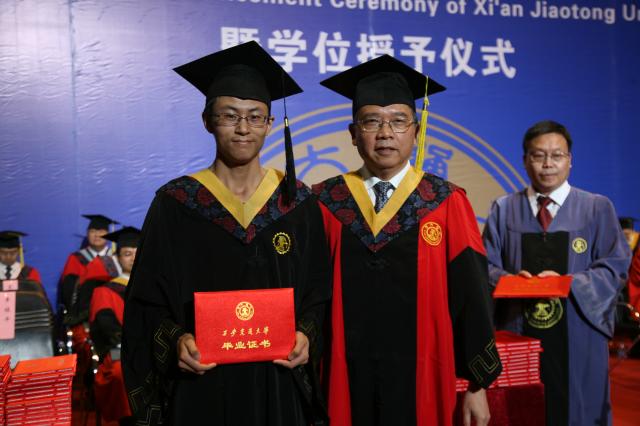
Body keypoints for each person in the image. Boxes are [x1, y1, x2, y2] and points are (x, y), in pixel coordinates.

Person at [121, 41, 331, 426]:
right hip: (202, 386)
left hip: (278, 383)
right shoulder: (176, 203)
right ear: (207, 121)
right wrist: (176, 340)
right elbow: (145, 303)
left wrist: (306, 334)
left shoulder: (297, 203)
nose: (243, 128)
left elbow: (319, 293)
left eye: (255, 117)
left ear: (271, 123)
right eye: (229, 116)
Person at [313, 55, 501, 426]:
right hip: (342, 377)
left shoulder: (445, 202)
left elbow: (473, 295)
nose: (385, 133)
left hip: (422, 377)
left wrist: (477, 384)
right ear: (353, 133)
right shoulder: (325, 202)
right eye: (371, 121)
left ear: (416, 131)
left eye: (399, 121)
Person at [482, 120, 631, 425]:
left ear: (570, 160)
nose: (548, 164)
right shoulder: (503, 209)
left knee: (579, 410)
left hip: (578, 333)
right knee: (521, 411)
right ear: (525, 160)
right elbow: (483, 266)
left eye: (557, 155)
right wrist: (509, 282)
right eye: (538, 155)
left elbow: (615, 265)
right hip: (519, 332)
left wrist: (568, 283)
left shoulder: (596, 208)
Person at [90, 226, 140, 426]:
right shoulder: (105, 291)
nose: (133, 258)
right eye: (127, 254)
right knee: (122, 374)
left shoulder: (154, 286)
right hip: (123, 351)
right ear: (117, 258)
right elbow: (107, 326)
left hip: (153, 347)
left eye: (138, 253)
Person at [57, 214, 119, 320]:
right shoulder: (76, 258)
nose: (97, 235)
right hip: (83, 312)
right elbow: (68, 290)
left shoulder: (116, 258)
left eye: (101, 231)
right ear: (87, 234)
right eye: (92, 231)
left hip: (112, 310)